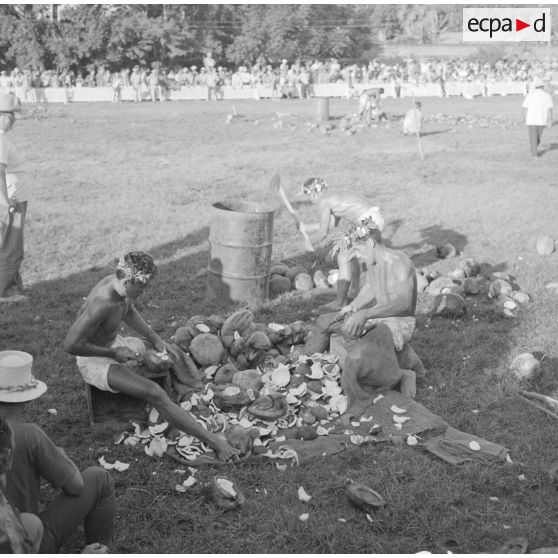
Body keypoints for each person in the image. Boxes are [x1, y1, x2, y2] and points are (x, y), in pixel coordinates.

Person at [64, 251, 237, 462]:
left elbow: (128, 311)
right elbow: (71, 345)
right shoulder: (102, 303)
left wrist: (155, 339)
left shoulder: (118, 287)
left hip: (114, 345)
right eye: (143, 286)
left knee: (166, 352)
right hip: (95, 361)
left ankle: (186, 392)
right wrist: (113, 353)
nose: (145, 291)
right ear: (128, 280)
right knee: (154, 393)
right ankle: (213, 440)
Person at [0, 372, 114, 553]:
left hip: (19, 532)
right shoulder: (28, 435)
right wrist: (57, 455)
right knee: (99, 478)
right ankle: (100, 550)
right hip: (24, 543)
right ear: (25, 399)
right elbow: (76, 485)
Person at [334, 218, 427, 405]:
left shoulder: (400, 263)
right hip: (380, 317)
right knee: (338, 325)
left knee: (364, 349)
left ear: (370, 243)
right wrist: (354, 306)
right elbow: (370, 287)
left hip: (401, 320)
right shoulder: (372, 260)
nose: (357, 257)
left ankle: (402, 375)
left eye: (358, 250)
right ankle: (400, 360)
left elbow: (404, 302)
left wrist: (367, 314)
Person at [299, 178, 384, 311]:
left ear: (313, 193)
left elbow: (323, 232)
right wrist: (305, 227)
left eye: (308, 196)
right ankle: (354, 290)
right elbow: (332, 224)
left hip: (368, 222)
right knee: (348, 252)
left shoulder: (324, 200)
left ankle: (340, 302)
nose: (311, 200)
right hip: (372, 219)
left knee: (343, 255)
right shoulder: (332, 196)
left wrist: (309, 242)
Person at [0, 93, 29, 303]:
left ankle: (12, 286)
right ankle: (4, 292)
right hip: (11, 201)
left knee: (10, 245)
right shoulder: (0, 140)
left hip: (11, 199)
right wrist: (5, 200)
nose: (14, 120)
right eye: (11, 115)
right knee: (11, 247)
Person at [522, 77, 553, 159]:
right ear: (542, 87)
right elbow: (550, 110)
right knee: (535, 137)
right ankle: (534, 154)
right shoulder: (546, 96)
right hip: (539, 119)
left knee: (537, 138)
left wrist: (523, 117)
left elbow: (524, 108)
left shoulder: (545, 96)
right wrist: (550, 120)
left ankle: (534, 147)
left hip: (534, 120)